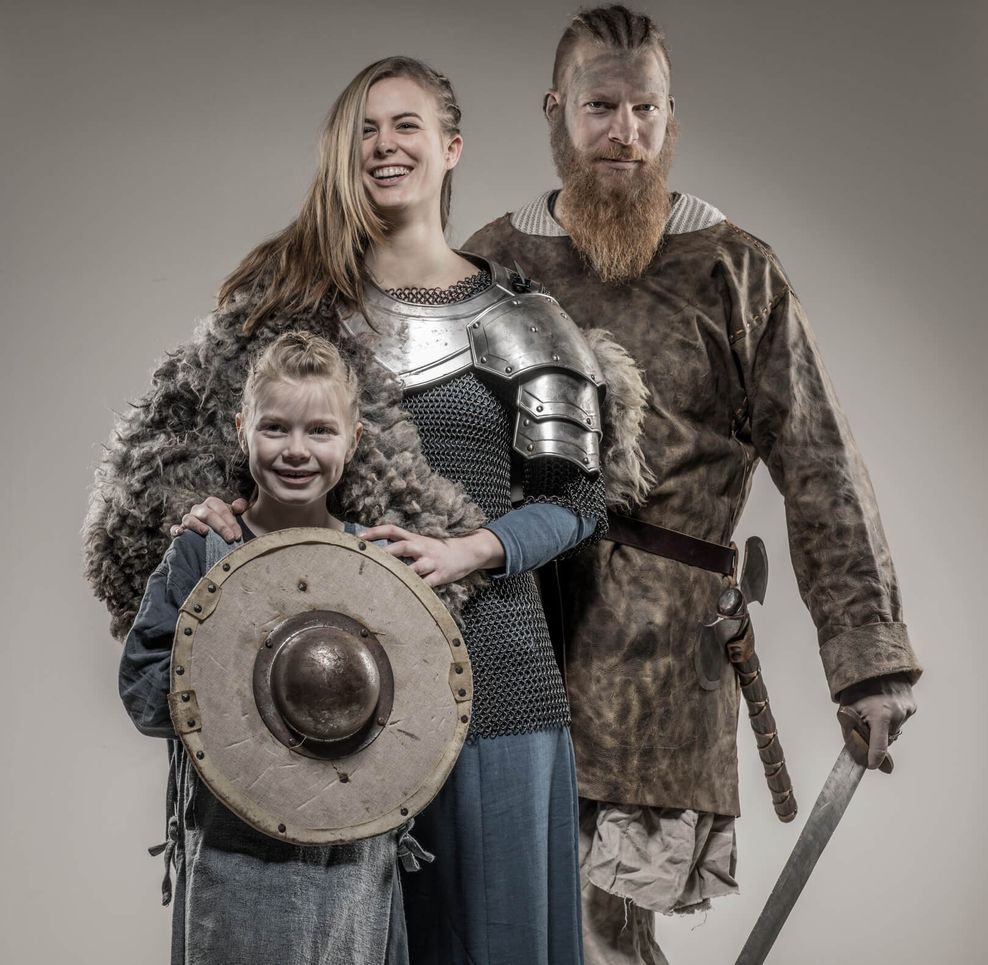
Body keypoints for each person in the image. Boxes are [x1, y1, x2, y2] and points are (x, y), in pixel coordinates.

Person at [87, 55, 643, 964]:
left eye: (407, 126)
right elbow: (187, 451)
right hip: (325, 687)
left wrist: (474, 549)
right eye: (366, 132)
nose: (385, 147)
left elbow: (580, 499)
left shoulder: (522, 316)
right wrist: (209, 511)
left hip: (496, 672)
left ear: (452, 147)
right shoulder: (288, 307)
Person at [463, 6, 922, 964]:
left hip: (658, 663)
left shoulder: (735, 272)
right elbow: (417, 439)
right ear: (557, 111)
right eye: (599, 106)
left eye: (643, 109)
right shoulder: (496, 263)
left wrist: (867, 658)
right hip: (511, 638)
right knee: (506, 931)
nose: (622, 132)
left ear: (671, 119)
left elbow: (821, 464)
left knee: (604, 935)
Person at [118, 330, 416, 965]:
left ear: (354, 440)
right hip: (234, 848)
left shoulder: (379, 564)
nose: (296, 451)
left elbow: (417, 711)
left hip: (353, 854)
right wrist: (237, 687)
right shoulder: (202, 549)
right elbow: (146, 695)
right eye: (275, 428)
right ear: (241, 430)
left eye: (320, 431)